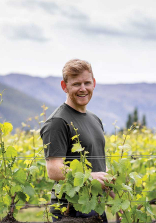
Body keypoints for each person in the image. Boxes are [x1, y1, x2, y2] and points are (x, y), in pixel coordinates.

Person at [40, 59, 109, 222]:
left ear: (94, 84)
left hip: (94, 206)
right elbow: (54, 169)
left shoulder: (94, 119)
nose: (83, 89)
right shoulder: (57, 122)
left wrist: (108, 182)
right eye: (77, 84)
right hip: (71, 211)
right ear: (64, 86)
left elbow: (96, 157)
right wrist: (90, 177)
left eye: (87, 83)